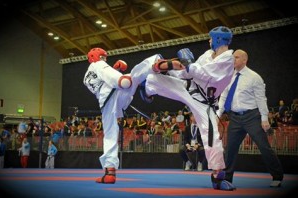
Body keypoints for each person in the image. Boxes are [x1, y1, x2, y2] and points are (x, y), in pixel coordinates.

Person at [142, 26, 236, 190]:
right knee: (152, 77)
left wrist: (188, 64)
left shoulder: (228, 60)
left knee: (211, 136)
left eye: (211, 38)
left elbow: (207, 75)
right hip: (189, 88)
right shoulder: (207, 55)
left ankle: (217, 176)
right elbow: (188, 73)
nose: (209, 41)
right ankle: (147, 89)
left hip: (205, 102)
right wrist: (173, 67)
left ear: (218, 40)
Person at [83, 47, 184, 184]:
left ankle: (109, 172)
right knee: (135, 75)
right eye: (102, 57)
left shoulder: (87, 77)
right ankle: (154, 64)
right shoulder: (97, 65)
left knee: (110, 134)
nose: (104, 60)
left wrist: (116, 70)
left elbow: (102, 79)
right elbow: (106, 73)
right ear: (94, 57)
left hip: (107, 102)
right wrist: (119, 77)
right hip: (119, 88)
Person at [217, 49, 284, 187]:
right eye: (232, 57)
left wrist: (264, 119)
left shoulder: (255, 77)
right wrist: (218, 114)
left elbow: (261, 99)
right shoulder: (228, 76)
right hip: (234, 118)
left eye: (236, 57)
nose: (233, 60)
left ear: (244, 60)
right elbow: (223, 96)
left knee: (264, 147)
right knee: (230, 150)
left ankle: (277, 176)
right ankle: (227, 179)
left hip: (252, 117)